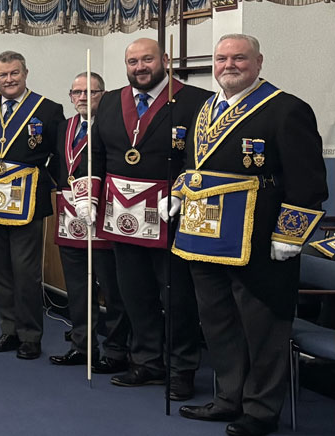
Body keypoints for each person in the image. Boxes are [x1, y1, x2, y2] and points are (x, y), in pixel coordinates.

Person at [173, 34, 327, 436]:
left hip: (259, 242)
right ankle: (228, 399)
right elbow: (195, 166)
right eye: (222, 58)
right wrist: (179, 191)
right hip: (203, 235)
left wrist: (290, 235)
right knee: (218, 324)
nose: (229, 65)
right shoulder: (206, 107)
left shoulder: (287, 109)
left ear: (258, 62)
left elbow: (308, 181)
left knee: (262, 329)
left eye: (239, 58)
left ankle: (260, 410)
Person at [94, 38, 210, 395]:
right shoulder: (112, 100)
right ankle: (146, 362)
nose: (139, 67)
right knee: (135, 293)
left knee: (176, 297)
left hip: (170, 215)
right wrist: (90, 194)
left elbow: (201, 159)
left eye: (147, 59)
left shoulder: (195, 101)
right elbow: (97, 153)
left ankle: (181, 369)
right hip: (123, 215)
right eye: (132, 62)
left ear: (165, 59)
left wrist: (181, 193)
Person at [0, 51, 65, 360]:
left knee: (26, 274)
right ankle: (8, 331)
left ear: (25, 73)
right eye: (3, 74)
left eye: (14, 73)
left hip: (27, 204)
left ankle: (30, 336)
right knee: (0, 273)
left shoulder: (48, 110)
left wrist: (41, 182)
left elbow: (61, 158)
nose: (9, 79)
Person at [47, 72, 130, 369]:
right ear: (70, 96)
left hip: (104, 216)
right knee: (79, 289)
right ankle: (82, 346)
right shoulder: (65, 127)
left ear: (103, 95)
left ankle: (117, 351)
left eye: (91, 92)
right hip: (71, 217)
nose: (83, 98)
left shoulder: (114, 126)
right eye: (77, 92)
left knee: (113, 289)